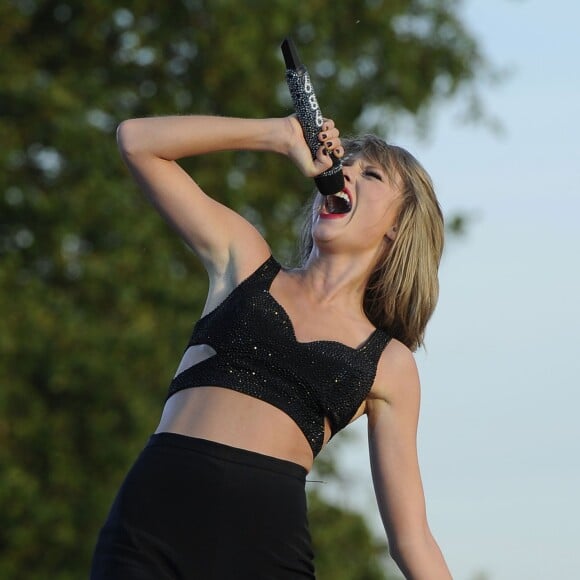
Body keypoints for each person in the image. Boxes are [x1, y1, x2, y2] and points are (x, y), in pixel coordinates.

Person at [90, 112, 452, 579]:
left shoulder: (388, 363)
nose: (344, 174)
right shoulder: (244, 262)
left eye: (371, 174)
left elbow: (411, 539)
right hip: (149, 533)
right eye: (346, 165)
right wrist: (278, 136)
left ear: (399, 226)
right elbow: (137, 141)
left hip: (264, 557)